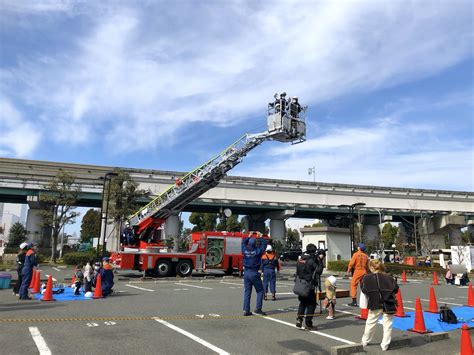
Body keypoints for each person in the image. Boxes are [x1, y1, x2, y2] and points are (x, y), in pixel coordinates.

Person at [361, 259, 399, 351]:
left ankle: (365, 341)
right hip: (389, 303)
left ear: (371, 267)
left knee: (370, 322)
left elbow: (364, 290)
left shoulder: (366, 278)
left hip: (374, 302)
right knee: (388, 324)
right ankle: (385, 345)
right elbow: (396, 289)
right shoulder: (389, 278)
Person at [295, 243, 324, 331]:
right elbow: (319, 271)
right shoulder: (311, 261)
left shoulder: (301, 259)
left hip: (300, 284)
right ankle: (308, 324)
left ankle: (299, 319)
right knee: (311, 304)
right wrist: (320, 260)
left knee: (303, 302)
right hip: (309, 285)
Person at [241, 234, 267, 316]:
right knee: (260, 291)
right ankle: (258, 308)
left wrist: (248, 236)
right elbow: (264, 245)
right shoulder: (257, 251)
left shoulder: (245, 250)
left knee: (247, 291)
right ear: (255, 244)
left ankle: (246, 310)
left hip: (246, 273)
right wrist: (260, 237)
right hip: (254, 272)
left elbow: (243, 242)